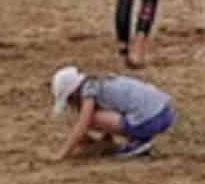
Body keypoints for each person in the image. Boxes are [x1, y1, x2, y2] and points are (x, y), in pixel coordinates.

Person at [48, 65, 176, 161]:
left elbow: (83, 124)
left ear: (74, 91)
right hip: (163, 112)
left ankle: (139, 141)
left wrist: (62, 154)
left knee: (91, 118)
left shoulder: (89, 89)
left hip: (150, 120)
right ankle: (135, 139)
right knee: (98, 113)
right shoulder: (98, 81)